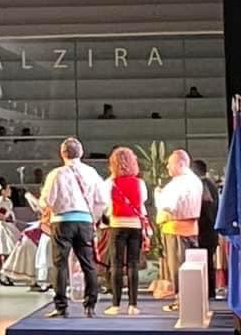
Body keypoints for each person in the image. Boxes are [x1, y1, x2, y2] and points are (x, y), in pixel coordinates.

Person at [39, 136, 108, 319]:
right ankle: (90, 306)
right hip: (84, 221)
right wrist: (93, 217)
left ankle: (61, 307)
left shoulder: (56, 174)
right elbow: (102, 200)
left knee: (60, 265)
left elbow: (46, 201)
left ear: (62, 153)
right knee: (88, 264)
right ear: (81, 153)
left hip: (61, 222)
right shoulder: (91, 172)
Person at [155, 149, 203, 311]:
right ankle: (189, 300)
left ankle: (181, 301)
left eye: (170, 164)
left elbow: (167, 206)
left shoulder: (178, 183)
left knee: (178, 268)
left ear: (181, 164)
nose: (167, 167)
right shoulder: (195, 180)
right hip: (192, 229)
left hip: (176, 229)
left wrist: (158, 196)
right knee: (190, 267)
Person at [102, 147, 147, 316]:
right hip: (135, 225)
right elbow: (143, 201)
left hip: (117, 224)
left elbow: (105, 205)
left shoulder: (109, 183)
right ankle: (133, 305)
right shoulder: (140, 183)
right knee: (133, 264)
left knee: (116, 265)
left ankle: (116, 305)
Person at [192, 158, 220, 299]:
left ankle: (207, 292)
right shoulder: (211, 185)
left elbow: (207, 211)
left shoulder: (202, 186)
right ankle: (210, 292)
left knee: (205, 263)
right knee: (208, 263)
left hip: (204, 231)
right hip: (212, 231)